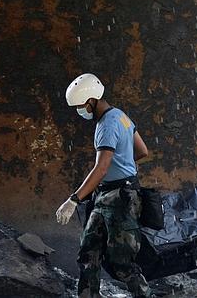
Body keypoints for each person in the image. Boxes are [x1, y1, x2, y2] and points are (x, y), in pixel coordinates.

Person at [55, 73, 151, 298]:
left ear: (91, 101)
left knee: (122, 262)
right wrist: (124, 165)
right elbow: (143, 151)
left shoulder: (106, 125)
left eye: (80, 106)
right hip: (109, 195)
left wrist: (74, 199)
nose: (80, 112)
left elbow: (101, 168)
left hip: (120, 200)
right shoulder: (121, 117)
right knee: (89, 252)